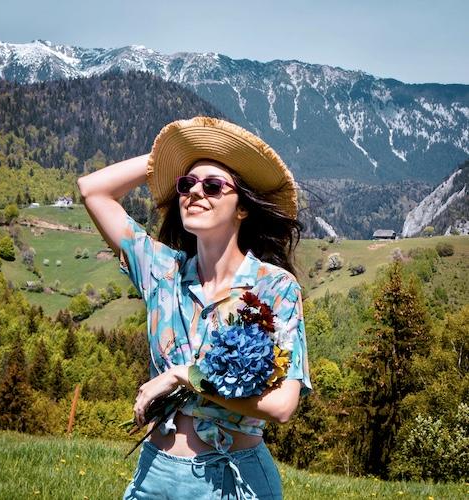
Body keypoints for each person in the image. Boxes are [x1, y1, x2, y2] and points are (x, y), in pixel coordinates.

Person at [77, 116, 312, 499]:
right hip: (154, 475)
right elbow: (93, 190)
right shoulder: (161, 272)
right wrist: (167, 159)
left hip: (232, 480)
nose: (195, 192)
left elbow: (283, 406)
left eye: (213, 186)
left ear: (242, 208)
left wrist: (185, 376)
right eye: (186, 184)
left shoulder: (275, 287)